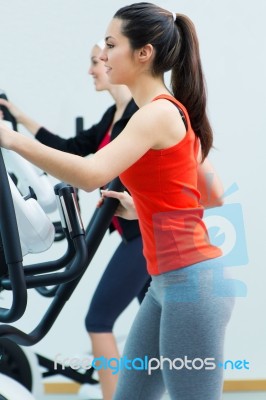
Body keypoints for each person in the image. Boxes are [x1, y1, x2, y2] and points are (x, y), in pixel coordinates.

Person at [0, 3, 235, 399]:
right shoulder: (167, 112)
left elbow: (91, 174)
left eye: (111, 45)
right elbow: (209, 194)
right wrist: (141, 203)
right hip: (166, 283)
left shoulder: (155, 115)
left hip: (193, 286)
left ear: (143, 53)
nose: (103, 55)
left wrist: (11, 138)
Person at [0, 41, 150, 400]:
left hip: (145, 237)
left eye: (95, 62)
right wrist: (18, 119)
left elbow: (91, 170)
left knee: (98, 321)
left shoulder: (137, 117)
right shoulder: (112, 117)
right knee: (157, 333)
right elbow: (70, 149)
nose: (91, 70)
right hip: (136, 238)